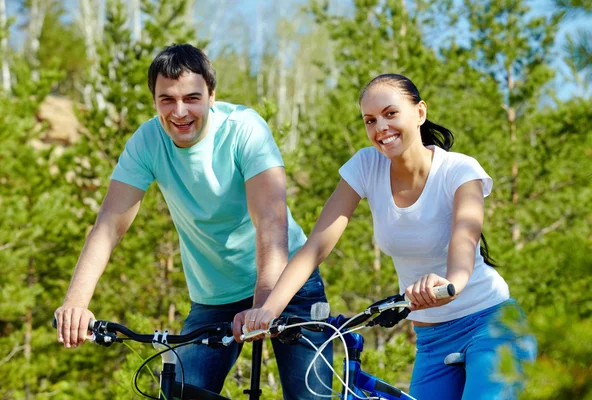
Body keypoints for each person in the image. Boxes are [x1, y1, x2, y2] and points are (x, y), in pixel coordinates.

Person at [53, 43, 332, 399]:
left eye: (192, 97)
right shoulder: (147, 142)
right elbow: (109, 223)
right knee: (182, 393)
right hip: (213, 295)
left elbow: (270, 217)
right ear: (154, 102)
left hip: (286, 283)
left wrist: (266, 303)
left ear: (212, 95)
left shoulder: (244, 129)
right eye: (166, 99)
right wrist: (76, 302)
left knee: (312, 394)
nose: (180, 111)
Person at [243, 74, 538, 399]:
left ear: (420, 113)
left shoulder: (459, 171)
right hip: (431, 340)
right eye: (370, 120)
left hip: (492, 325)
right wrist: (270, 310)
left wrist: (446, 284)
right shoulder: (367, 166)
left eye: (390, 113)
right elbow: (315, 248)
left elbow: (464, 243)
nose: (380, 127)